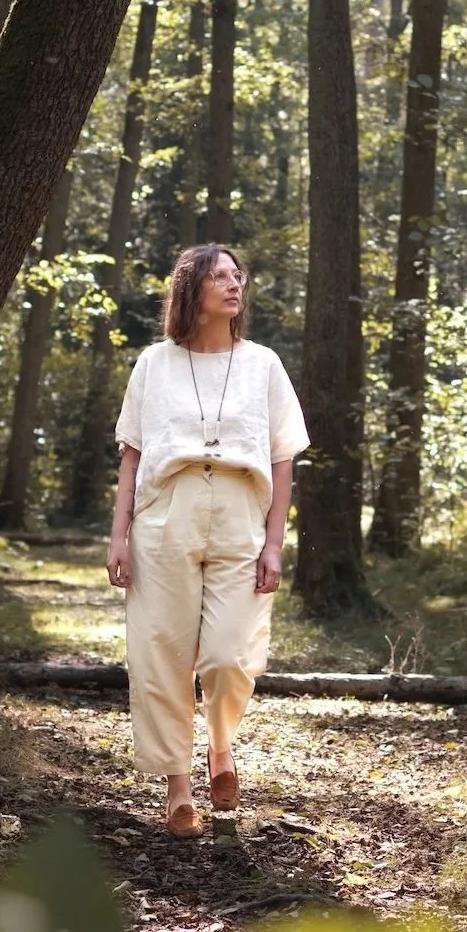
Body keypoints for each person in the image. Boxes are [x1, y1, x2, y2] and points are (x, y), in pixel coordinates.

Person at [107, 244, 310, 838]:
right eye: (219, 275)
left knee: (229, 654)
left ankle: (221, 746)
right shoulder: (153, 364)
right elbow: (132, 456)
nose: (233, 283)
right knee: (162, 652)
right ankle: (178, 786)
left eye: (236, 274)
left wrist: (275, 543)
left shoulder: (264, 364)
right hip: (165, 513)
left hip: (242, 512)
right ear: (191, 290)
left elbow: (281, 458)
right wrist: (118, 536)